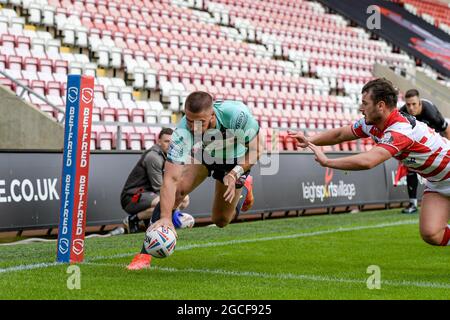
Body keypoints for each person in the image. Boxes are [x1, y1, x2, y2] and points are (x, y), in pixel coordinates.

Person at [289, 78, 450, 248]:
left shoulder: (400, 129)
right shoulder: (371, 124)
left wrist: (328, 162)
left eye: (365, 103)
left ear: (380, 106)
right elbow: (340, 135)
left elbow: (368, 161)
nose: (361, 108)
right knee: (431, 233)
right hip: (437, 182)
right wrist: (308, 140)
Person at [127, 91, 261, 270]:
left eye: (199, 122)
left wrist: (236, 173)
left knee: (221, 220)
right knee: (178, 192)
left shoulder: (236, 115)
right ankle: (143, 255)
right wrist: (166, 217)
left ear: (212, 115)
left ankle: (245, 184)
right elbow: (170, 178)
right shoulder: (182, 130)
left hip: (235, 161)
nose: (193, 127)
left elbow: (257, 149)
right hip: (205, 156)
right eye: (189, 120)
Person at [120, 127, 194, 234]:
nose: (169, 145)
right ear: (159, 142)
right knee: (164, 201)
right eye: (166, 141)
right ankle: (133, 220)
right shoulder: (153, 157)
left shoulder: (170, 156)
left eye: (172, 142)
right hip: (131, 197)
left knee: (184, 199)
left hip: (149, 195)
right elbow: (159, 187)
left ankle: (154, 221)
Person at [397, 89, 450, 214]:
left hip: (436, 143)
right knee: (409, 166)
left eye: (414, 104)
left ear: (420, 103)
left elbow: (446, 130)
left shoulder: (430, 112)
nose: (411, 108)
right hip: (417, 145)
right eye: (408, 104)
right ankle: (413, 203)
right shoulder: (402, 113)